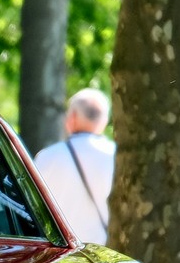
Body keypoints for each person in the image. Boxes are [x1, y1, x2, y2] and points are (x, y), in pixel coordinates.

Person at [29, 89, 116, 245]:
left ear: (73, 117)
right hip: (106, 257)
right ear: (103, 121)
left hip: (62, 254)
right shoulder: (116, 156)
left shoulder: (48, 157)